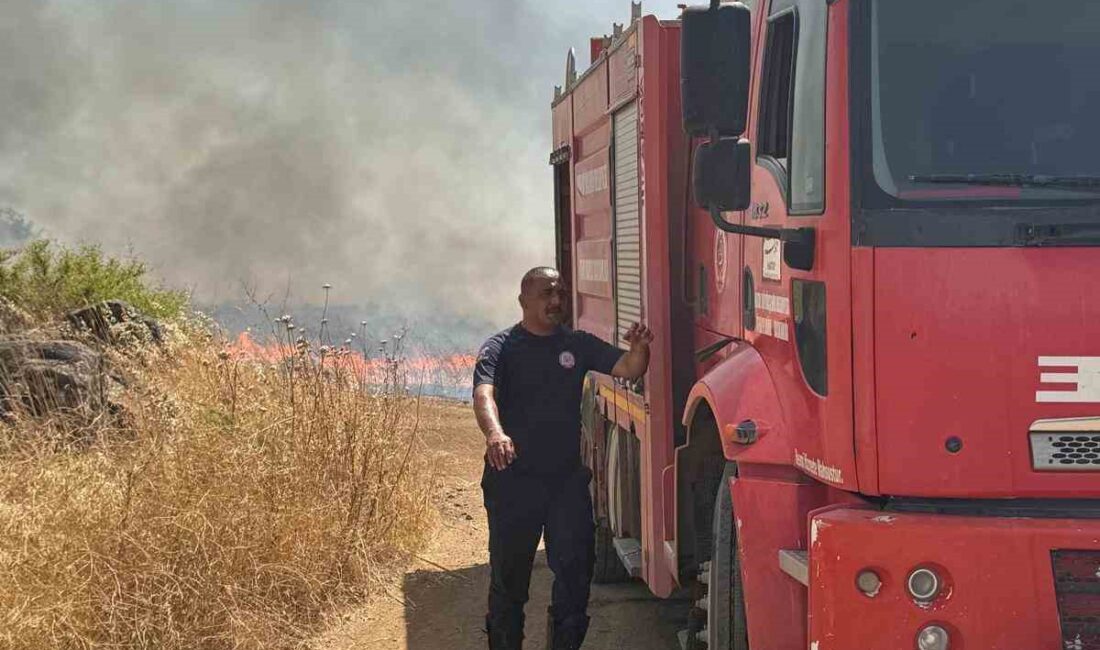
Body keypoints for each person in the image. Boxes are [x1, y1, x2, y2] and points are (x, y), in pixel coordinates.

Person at [472, 266, 652, 650]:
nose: (556, 302)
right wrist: (495, 433)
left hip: (564, 484)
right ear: (524, 301)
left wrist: (640, 349)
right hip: (513, 482)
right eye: (546, 294)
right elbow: (483, 394)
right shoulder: (500, 348)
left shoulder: (578, 345)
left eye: (561, 294)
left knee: (574, 574)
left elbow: (629, 367)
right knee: (509, 582)